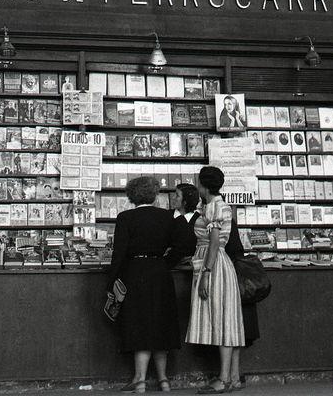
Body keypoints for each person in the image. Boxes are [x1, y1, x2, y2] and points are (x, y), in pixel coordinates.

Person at [108, 176, 187, 393]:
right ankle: (164, 380)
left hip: (135, 273)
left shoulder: (125, 217)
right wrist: (164, 262)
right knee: (161, 324)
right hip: (160, 273)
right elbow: (183, 245)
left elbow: (119, 254)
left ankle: (140, 380)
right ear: (154, 194)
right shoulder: (168, 217)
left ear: (132, 195)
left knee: (139, 325)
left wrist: (111, 281)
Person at [186, 166, 244, 394]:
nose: (197, 186)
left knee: (221, 320)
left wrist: (206, 274)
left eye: (199, 183)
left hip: (214, 265)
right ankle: (233, 377)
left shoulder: (214, 207)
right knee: (227, 319)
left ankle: (223, 379)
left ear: (204, 185)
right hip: (218, 263)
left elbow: (214, 243)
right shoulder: (211, 206)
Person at [224, 221, 260, 391]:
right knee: (237, 330)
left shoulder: (217, 221)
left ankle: (231, 376)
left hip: (229, 280)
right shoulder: (228, 222)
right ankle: (234, 375)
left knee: (230, 330)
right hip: (238, 283)